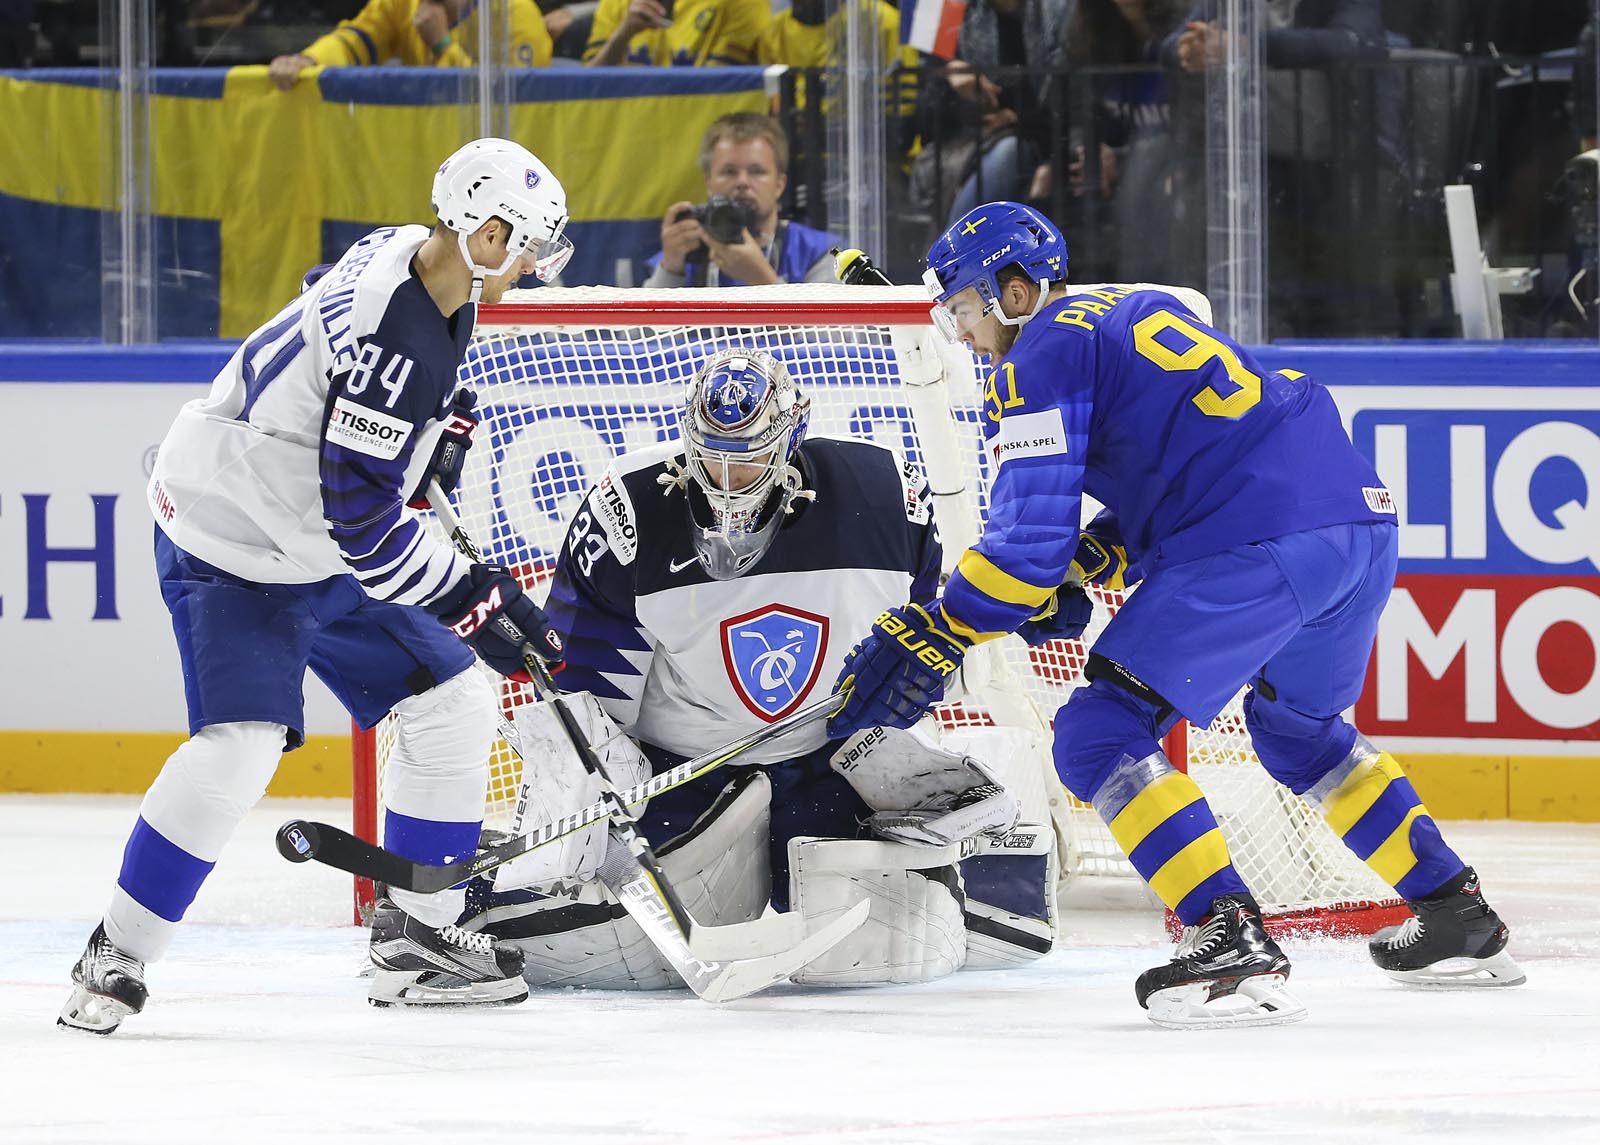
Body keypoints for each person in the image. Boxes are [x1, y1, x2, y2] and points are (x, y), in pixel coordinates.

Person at [826, 202, 1526, 1028]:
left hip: (1261, 536)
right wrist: (1090, 558)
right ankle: (1456, 912)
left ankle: (1227, 937)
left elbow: (1023, 556)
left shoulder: (1041, 349)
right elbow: (1189, 465)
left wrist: (940, 627)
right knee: (1300, 732)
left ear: (1015, 291)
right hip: (1359, 522)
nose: (966, 336)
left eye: (968, 310)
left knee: (1096, 732)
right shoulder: (1129, 308)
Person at [58, 139, 576, 1034]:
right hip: (234, 542)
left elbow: (328, 328)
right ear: (487, 237)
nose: (532, 267)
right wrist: (479, 599)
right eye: (526, 246)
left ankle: (419, 933)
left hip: (305, 533)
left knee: (454, 700)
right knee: (242, 747)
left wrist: (437, 423)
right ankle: (117, 952)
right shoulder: (402, 335)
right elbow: (370, 533)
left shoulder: (411, 248)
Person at [457, 346, 1049, 989]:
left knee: (888, 955)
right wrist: (597, 816)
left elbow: (923, 640)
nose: (727, 481)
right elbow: (586, 701)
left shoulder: (883, 498)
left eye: (748, 461)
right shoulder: (627, 519)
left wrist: (910, 700)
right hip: (683, 778)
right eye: (711, 458)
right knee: (628, 959)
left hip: (834, 765)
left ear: (791, 441)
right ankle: (462, 911)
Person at [643, 112, 841, 288]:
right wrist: (670, 270)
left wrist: (763, 280)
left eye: (757, 171)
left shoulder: (820, 253)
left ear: (779, 185)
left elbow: (831, 331)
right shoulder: (686, 251)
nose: (742, 182)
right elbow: (637, 331)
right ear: (708, 182)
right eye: (729, 172)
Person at [268, 0, 554, 90]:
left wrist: (443, 45)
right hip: (422, 144)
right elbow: (356, 39)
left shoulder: (516, 13)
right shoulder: (403, 3)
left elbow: (520, 105)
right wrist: (308, 61)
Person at [583, 0, 768, 67]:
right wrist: (623, 34)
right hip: (623, 128)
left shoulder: (744, 3)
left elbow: (719, 92)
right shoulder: (615, 3)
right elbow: (587, 86)